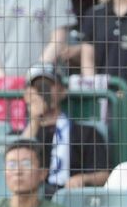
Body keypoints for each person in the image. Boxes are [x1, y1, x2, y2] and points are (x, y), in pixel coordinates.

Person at [20, 63, 112, 194]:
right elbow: (18, 159)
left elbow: (105, 175)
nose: (43, 92)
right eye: (37, 87)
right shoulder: (21, 134)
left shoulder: (86, 133)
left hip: (71, 199)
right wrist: (35, 119)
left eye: (48, 85)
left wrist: (84, 178)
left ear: (62, 91)